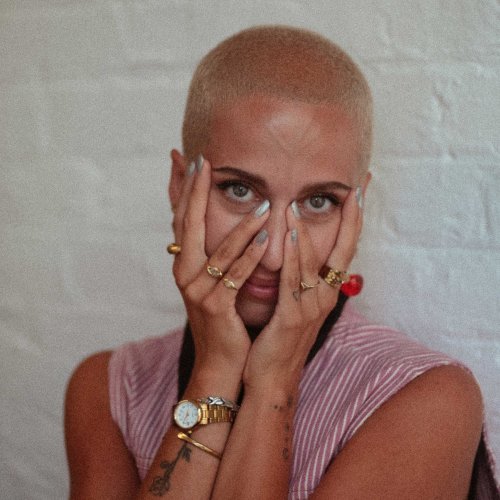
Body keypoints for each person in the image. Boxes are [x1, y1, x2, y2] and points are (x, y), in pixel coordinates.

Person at [64, 25, 499, 499]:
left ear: (358, 206)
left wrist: (274, 382)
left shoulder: (425, 399)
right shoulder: (110, 389)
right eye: (239, 190)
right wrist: (215, 368)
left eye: (319, 202)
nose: (272, 254)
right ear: (178, 184)